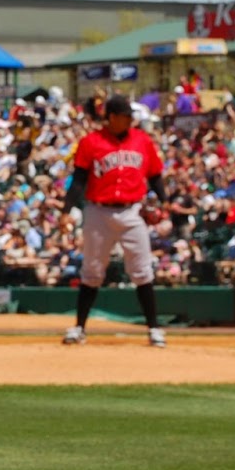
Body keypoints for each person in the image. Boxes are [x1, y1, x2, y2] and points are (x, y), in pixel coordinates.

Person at [61, 93, 168, 348]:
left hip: (132, 211)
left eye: (130, 117)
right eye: (124, 116)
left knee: (142, 270)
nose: (130, 121)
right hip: (98, 211)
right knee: (92, 271)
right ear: (111, 117)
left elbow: (155, 175)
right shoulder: (91, 142)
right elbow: (78, 180)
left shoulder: (142, 141)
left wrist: (165, 201)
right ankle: (79, 327)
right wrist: (66, 210)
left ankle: (153, 329)